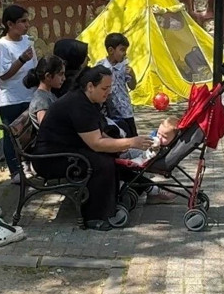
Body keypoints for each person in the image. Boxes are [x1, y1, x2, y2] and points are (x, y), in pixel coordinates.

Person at [32, 66, 153, 231]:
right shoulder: (77, 104)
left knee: (111, 157)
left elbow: (100, 133)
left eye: (110, 88)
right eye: (105, 88)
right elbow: (96, 143)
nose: (108, 92)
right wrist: (130, 142)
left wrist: (121, 145)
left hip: (67, 151)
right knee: (101, 163)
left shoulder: (87, 101)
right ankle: (94, 217)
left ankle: (136, 190)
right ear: (90, 86)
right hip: (50, 159)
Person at [0, 4, 38, 184]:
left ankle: (28, 165)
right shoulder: (1, 47)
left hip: (28, 94)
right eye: (22, 21)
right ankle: (14, 171)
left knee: (28, 132)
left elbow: (32, 64)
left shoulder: (27, 41)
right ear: (10, 24)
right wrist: (21, 60)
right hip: (10, 98)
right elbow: (3, 75)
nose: (26, 25)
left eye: (27, 21)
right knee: (12, 135)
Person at [97, 33, 138, 137]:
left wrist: (132, 75)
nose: (125, 54)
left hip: (125, 111)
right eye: (122, 50)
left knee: (131, 136)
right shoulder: (101, 67)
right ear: (111, 50)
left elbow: (132, 86)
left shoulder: (124, 67)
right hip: (109, 112)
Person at [24, 55, 66, 128]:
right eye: (61, 74)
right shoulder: (41, 101)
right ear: (48, 76)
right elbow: (46, 128)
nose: (64, 78)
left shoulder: (48, 94)